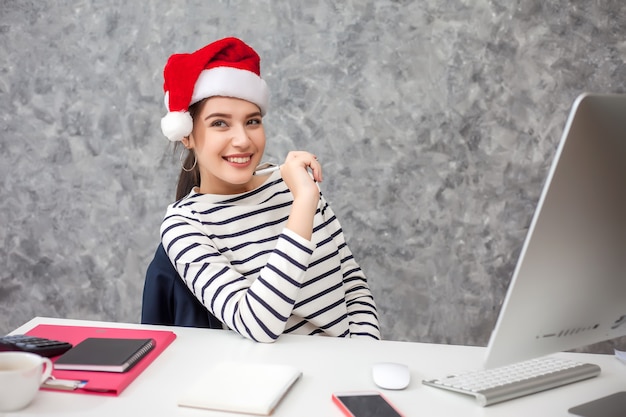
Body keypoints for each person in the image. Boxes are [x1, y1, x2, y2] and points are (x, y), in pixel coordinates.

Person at [155, 37, 380, 343]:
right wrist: (302, 205)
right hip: (275, 380)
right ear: (187, 135)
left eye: (252, 121)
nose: (243, 140)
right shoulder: (185, 225)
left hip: (348, 371)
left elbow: (351, 283)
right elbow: (257, 324)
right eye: (220, 123)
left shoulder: (293, 184)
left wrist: (364, 353)